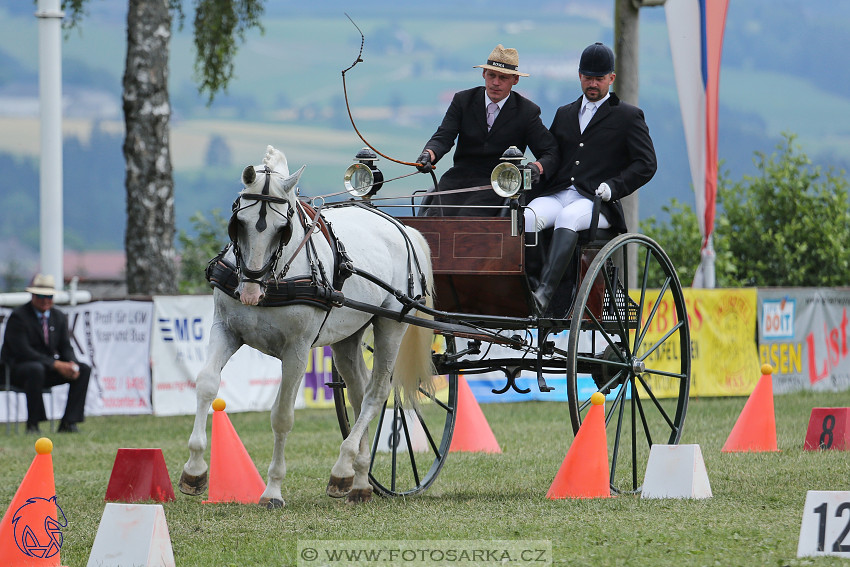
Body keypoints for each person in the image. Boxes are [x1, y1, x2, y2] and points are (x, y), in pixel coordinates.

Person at [525, 42, 657, 313]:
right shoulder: (565, 113)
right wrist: (537, 169)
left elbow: (647, 164)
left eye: (599, 78)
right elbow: (554, 156)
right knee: (527, 214)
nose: (593, 84)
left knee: (568, 218)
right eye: (588, 77)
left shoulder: (628, 117)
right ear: (579, 76)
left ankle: (546, 296)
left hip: (597, 202)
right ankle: (531, 285)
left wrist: (614, 186)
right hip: (561, 193)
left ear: (612, 78)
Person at [415, 44, 558, 217]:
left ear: (515, 80)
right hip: (457, 179)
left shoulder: (527, 111)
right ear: (484, 74)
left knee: (467, 221)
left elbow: (550, 152)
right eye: (491, 75)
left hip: (499, 184)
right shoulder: (463, 100)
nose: (495, 83)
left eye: (503, 78)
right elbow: (444, 136)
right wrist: (429, 153)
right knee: (434, 218)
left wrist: (535, 168)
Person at [1, 273, 90, 433]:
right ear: (33, 295)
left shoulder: (58, 316)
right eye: (41, 296)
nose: (45, 300)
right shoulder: (18, 317)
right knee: (35, 369)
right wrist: (55, 364)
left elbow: (65, 346)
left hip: (46, 368)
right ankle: (33, 424)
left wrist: (71, 364)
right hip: (18, 370)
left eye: (49, 296)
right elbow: (22, 351)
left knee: (83, 370)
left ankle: (69, 422)